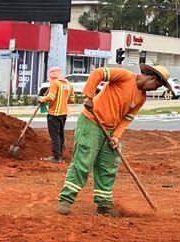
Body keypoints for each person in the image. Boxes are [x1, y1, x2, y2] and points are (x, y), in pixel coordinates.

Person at [57, 63, 169, 216]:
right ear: (152, 78)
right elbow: (98, 73)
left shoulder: (141, 98)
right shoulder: (124, 76)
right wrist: (89, 96)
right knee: (84, 160)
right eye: (157, 86)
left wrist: (116, 136)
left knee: (108, 166)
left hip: (110, 130)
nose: (155, 89)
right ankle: (66, 199)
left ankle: (103, 204)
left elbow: (127, 118)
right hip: (92, 122)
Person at [39, 68, 74, 163]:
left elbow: (51, 97)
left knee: (55, 135)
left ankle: (56, 157)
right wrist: (62, 99)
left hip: (54, 114)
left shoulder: (55, 83)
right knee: (60, 134)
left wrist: (42, 99)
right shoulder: (69, 84)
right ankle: (60, 154)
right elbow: (72, 100)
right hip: (63, 114)